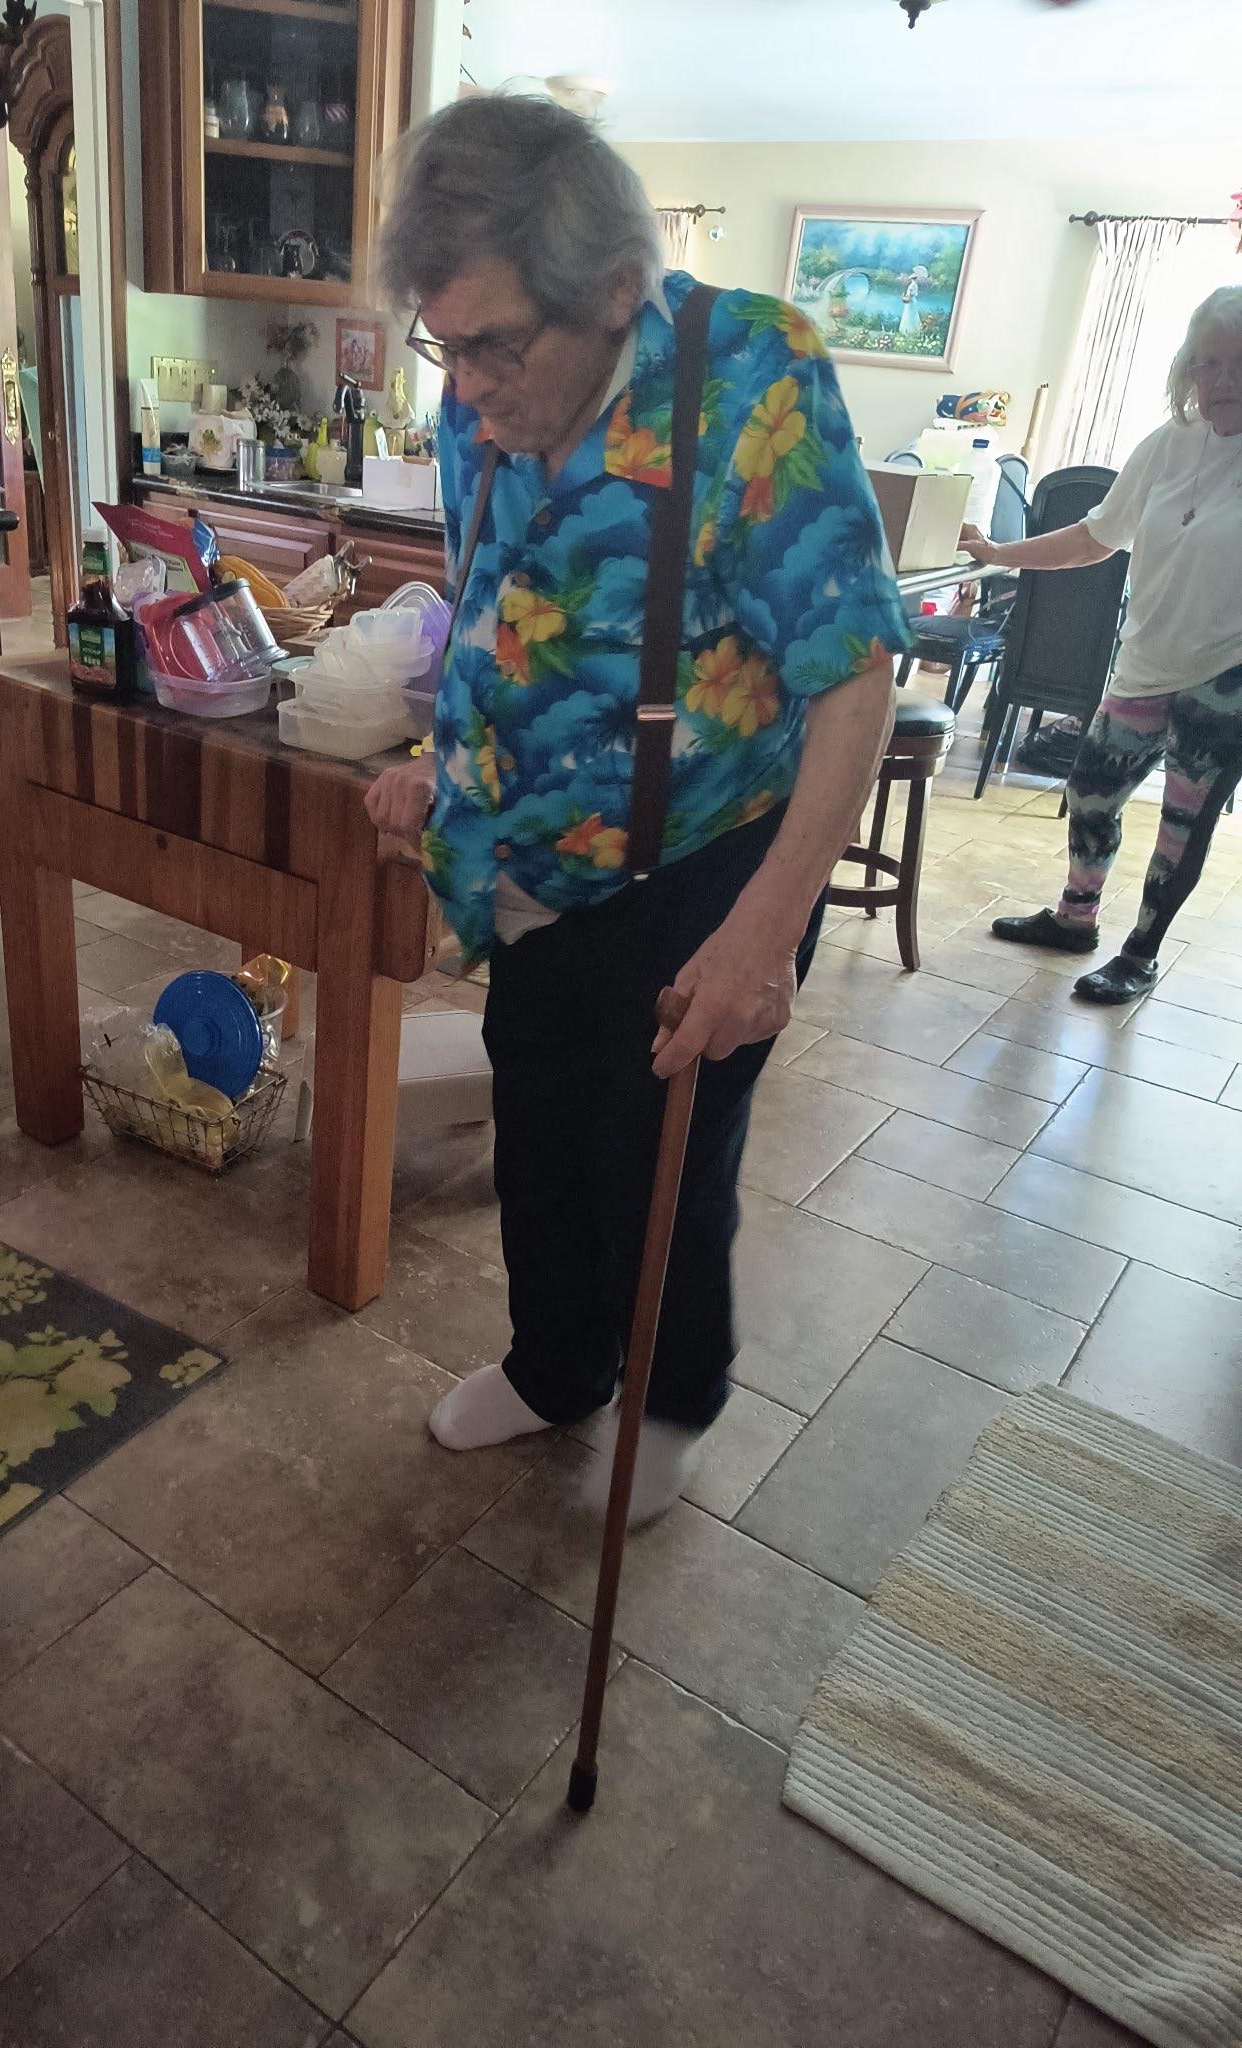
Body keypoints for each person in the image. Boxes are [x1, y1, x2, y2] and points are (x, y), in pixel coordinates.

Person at [365, 95, 908, 1521]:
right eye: (443, 345)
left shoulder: (752, 376)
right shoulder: (477, 393)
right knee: (540, 1123)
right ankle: (558, 1368)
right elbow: (496, 602)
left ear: (614, 289)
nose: (468, 386)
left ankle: (670, 1397)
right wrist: (445, 761)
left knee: (660, 1158)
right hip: (535, 864)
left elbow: (855, 676)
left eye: (494, 346)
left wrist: (763, 936)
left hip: (704, 860)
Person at [964, 286, 1242, 1001]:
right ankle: (1075, 919)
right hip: (1146, 659)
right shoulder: (1168, 444)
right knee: (1091, 791)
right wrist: (1000, 553)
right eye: (1209, 364)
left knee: (1182, 825)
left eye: (1240, 363)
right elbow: (1095, 537)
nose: (1222, 381)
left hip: (1226, 677)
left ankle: (1140, 954)